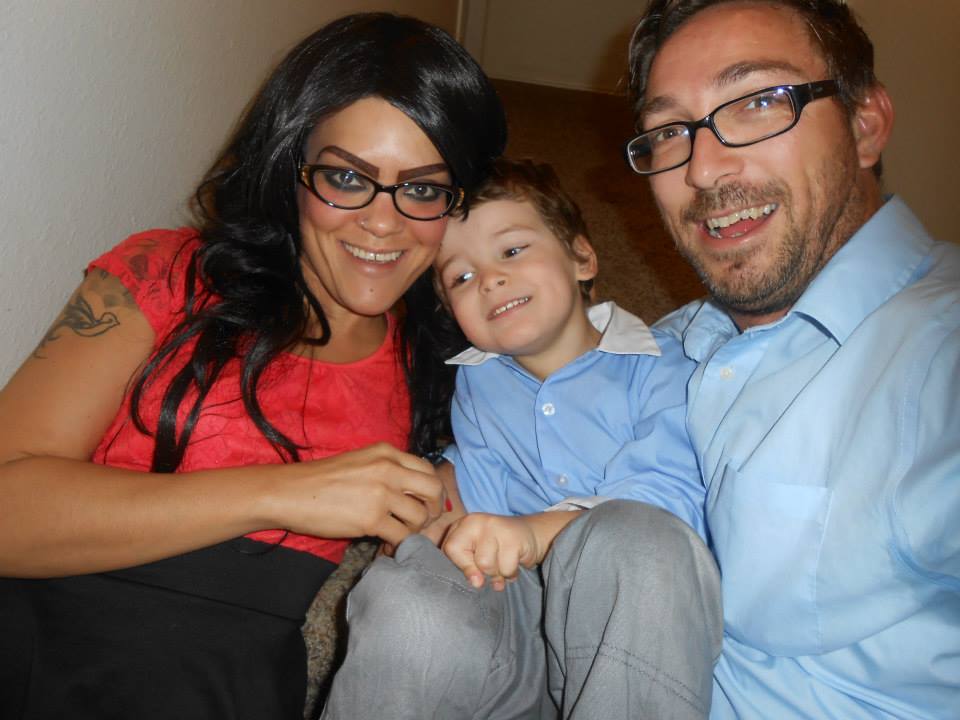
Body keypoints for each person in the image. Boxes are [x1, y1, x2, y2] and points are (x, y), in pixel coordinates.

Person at [0, 13, 506, 719]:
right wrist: (281, 493)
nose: (382, 222)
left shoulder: (445, 365)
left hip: (222, 685)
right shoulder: (167, 274)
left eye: (422, 189)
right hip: (37, 641)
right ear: (288, 169)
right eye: (345, 178)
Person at [625, 0, 960, 717]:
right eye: (670, 131)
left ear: (864, 125)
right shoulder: (671, 337)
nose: (704, 168)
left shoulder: (941, 354)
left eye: (758, 102)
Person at [321, 158, 722, 719]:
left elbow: (671, 498)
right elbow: (480, 484)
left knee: (642, 540)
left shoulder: (666, 366)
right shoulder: (477, 381)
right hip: (516, 623)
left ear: (582, 258)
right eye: (460, 278)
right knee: (406, 588)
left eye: (511, 250)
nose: (488, 279)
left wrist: (533, 533)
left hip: (629, 633)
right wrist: (438, 519)